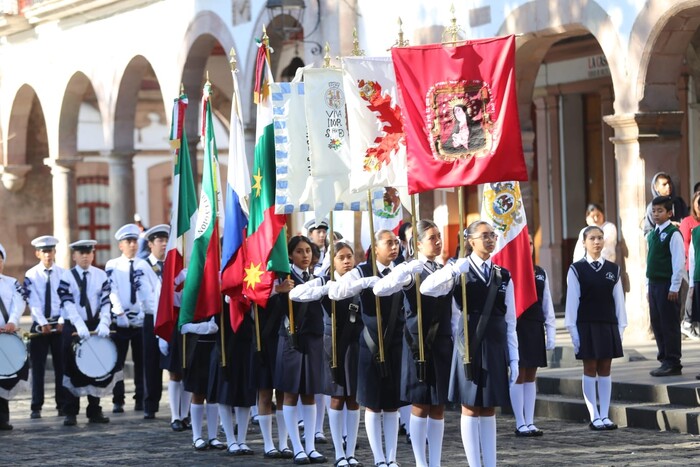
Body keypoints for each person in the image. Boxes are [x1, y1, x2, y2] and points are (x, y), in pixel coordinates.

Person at [420, 221, 518, 467]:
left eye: (493, 235)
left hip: (495, 345)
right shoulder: (459, 270)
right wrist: (452, 270)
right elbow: (427, 288)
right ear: (470, 241)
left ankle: (491, 463)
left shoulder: (502, 275)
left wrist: (514, 356)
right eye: (484, 235)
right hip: (469, 345)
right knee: (470, 406)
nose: (490, 240)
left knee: (489, 407)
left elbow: (510, 319)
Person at [374, 220, 451, 467]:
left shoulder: (444, 268)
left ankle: (436, 461)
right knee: (420, 404)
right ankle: (420, 462)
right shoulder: (411, 270)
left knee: (438, 406)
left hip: (440, 342)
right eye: (432, 237)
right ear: (417, 244)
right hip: (417, 343)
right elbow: (381, 289)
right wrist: (404, 270)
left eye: (439, 236)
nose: (438, 241)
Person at [329, 229, 408, 467]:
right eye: (388, 243)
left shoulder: (400, 270)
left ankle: (392, 458)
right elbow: (336, 291)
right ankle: (378, 458)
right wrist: (362, 283)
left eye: (396, 242)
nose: (394, 247)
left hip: (395, 342)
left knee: (392, 404)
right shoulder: (361, 270)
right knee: (373, 404)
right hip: (370, 343)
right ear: (375, 248)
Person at [290, 241, 364, 467]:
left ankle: (351, 451)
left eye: (349, 256)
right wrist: (323, 285)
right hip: (332, 344)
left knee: (353, 399)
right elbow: (296, 293)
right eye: (341, 257)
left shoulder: (359, 282)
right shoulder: (326, 281)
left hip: (354, 343)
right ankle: (339, 452)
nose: (346, 261)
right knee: (337, 397)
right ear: (332, 261)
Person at [271, 235, 327, 464]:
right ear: (290, 255)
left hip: (313, 340)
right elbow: (270, 306)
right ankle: (296, 447)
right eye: (299, 252)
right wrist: (279, 290)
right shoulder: (286, 279)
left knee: (310, 393)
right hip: (292, 341)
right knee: (291, 393)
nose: (305, 256)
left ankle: (311, 446)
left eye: (308, 251)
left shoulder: (316, 277)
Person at [565, 225, 627, 430]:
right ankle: (594, 416)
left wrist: (620, 329)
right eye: (592, 238)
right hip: (586, 325)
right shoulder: (576, 269)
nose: (597, 242)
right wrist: (573, 332)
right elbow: (572, 303)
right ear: (583, 242)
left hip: (607, 324)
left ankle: (605, 414)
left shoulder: (613, 269)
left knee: (606, 369)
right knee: (590, 368)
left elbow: (619, 301)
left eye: (600, 238)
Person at [61, 239, 115, 426]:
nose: (85, 256)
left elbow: (106, 301)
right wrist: (79, 325)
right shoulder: (66, 277)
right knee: (71, 367)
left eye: (88, 252)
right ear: (74, 256)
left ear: (93, 254)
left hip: (95, 324)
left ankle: (94, 410)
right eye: (80, 253)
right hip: (73, 326)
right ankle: (70, 411)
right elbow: (67, 303)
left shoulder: (101, 276)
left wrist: (105, 322)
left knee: (95, 367)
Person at [510, 235, 557, 436]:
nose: (527, 246)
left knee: (531, 375)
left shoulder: (539, 273)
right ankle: (520, 421)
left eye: (530, 243)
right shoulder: (509, 272)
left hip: (534, 326)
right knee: (518, 374)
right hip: (517, 327)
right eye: (523, 243)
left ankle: (529, 420)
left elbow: (547, 304)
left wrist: (551, 331)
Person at [106, 223, 154, 413]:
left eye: (134, 241)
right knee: (117, 362)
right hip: (121, 320)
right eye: (128, 242)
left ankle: (140, 398)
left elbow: (150, 290)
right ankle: (118, 399)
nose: (133, 245)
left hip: (140, 319)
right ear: (121, 245)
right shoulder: (113, 265)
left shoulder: (144, 264)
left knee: (141, 361)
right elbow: (112, 289)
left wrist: (145, 312)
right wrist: (118, 312)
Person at [23, 235, 69, 419]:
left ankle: (62, 404)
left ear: (55, 252)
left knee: (61, 366)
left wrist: (61, 321)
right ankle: (36, 405)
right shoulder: (31, 274)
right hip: (40, 325)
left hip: (58, 324)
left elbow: (67, 300)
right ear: (37, 254)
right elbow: (32, 301)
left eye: (50, 251)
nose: (48, 255)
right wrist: (42, 323)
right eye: (44, 252)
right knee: (38, 367)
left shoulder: (63, 273)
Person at [208, 298, 256, 455]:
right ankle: (230, 439)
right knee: (225, 393)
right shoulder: (218, 285)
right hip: (224, 343)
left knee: (245, 394)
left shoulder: (249, 281)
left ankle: (242, 439)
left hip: (246, 342)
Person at [646, 196, 685, 376]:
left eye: (660, 211)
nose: (656, 214)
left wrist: (674, 287)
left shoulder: (673, 233)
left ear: (669, 213)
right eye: (653, 211)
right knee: (657, 322)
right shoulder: (653, 234)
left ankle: (673, 361)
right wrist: (648, 286)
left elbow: (678, 262)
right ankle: (664, 359)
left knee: (669, 323)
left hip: (667, 285)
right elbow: (650, 262)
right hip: (654, 285)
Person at [181, 316, 225, 451]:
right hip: (197, 345)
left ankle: (213, 436)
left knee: (213, 393)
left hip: (216, 344)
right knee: (198, 392)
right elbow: (183, 324)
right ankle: (197, 436)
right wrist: (200, 327)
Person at [141, 224, 168, 420]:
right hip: (152, 317)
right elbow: (147, 296)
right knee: (151, 363)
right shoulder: (143, 266)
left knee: (174, 363)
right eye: (160, 241)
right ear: (150, 244)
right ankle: (151, 404)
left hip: (170, 317)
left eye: (166, 240)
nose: (164, 244)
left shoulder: (173, 264)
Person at [0, 241, 28, 430]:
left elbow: (19, 303)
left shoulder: (12, 283)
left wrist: (13, 322)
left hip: (7, 336)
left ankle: (3, 418)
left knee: (4, 377)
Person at [679, 191, 700, 340]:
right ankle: (687, 322)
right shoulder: (688, 222)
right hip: (692, 265)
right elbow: (685, 245)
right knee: (692, 292)